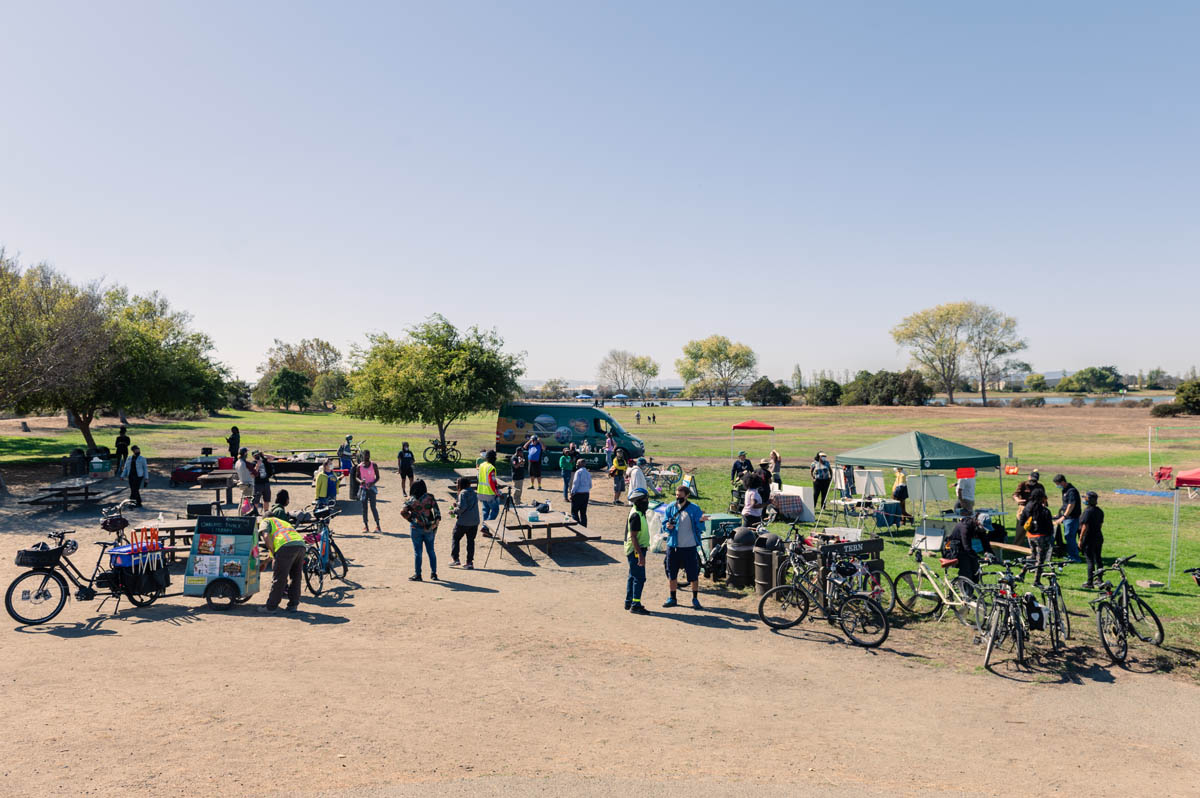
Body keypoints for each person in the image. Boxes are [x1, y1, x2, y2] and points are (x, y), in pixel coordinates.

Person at [663, 485, 707, 609]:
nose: (678, 498)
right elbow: (664, 524)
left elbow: (700, 528)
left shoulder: (694, 509)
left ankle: (695, 599)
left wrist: (701, 521)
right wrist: (667, 526)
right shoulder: (671, 507)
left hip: (690, 546)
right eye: (676, 495)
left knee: (693, 573)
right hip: (673, 546)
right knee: (672, 573)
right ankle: (672, 597)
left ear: (687, 496)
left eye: (680, 496)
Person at [257, 515, 306, 612]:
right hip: (300, 546)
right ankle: (293, 605)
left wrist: (274, 553)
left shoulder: (266, 521)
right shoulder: (283, 523)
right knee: (296, 577)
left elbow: (266, 537)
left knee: (280, 578)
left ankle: (271, 607)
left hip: (285, 547)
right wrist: (266, 562)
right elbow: (277, 545)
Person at [401, 479, 441, 581]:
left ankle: (418, 574)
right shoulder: (430, 498)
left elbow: (403, 512)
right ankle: (434, 574)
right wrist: (434, 525)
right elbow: (437, 513)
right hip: (429, 528)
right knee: (431, 551)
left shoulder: (410, 500)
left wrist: (411, 519)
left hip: (415, 527)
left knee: (417, 552)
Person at [1018, 486, 1054, 585]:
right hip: (1042, 537)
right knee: (1040, 560)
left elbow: (1021, 523)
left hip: (1030, 536)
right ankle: (1036, 581)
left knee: (1033, 556)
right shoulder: (1045, 511)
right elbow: (1050, 528)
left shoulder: (1027, 508)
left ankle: (1022, 574)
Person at [624, 488, 651, 614]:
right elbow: (633, 536)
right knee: (639, 578)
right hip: (636, 549)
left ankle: (629, 601)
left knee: (633, 576)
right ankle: (635, 604)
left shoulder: (639, 511)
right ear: (639, 501)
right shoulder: (636, 515)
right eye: (646, 499)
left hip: (637, 548)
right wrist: (640, 555)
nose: (647, 502)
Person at [944, 513, 992, 583]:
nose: (984, 530)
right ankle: (964, 592)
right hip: (955, 549)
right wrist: (979, 558)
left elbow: (985, 542)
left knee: (976, 570)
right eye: (984, 528)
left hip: (965, 548)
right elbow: (967, 547)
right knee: (967, 570)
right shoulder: (965, 526)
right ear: (978, 522)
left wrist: (990, 553)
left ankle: (971, 592)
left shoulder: (979, 527)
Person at [1052, 474, 1083, 563]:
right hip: (1067, 517)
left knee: (1070, 537)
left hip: (1072, 518)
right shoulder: (1065, 490)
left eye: (1058, 484)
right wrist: (1059, 515)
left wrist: (1064, 517)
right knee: (1068, 537)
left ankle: (1075, 557)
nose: (1057, 486)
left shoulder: (1071, 491)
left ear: (1063, 482)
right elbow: (1065, 504)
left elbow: (1071, 505)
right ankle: (1070, 555)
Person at [450, 476, 479, 569]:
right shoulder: (473, 493)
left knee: (456, 537)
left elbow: (463, 507)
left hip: (464, 521)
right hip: (474, 521)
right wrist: (458, 504)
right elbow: (469, 505)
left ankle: (456, 559)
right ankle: (469, 562)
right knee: (470, 541)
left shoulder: (463, 493)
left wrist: (454, 510)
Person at [1079, 491, 1105, 589]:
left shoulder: (1087, 511)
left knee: (1090, 560)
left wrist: (1080, 539)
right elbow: (1100, 525)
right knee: (1098, 558)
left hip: (1089, 538)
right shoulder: (1099, 511)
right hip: (1098, 536)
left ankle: (1089, 582)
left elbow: (1085, 526)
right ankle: (1099, 579)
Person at [356, 450, 382, 533]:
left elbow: (378, 477)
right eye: (365, 455)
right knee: (364, 508)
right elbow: (356, 477)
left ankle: (378, 526)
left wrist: (372, 483)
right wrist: (360, 481)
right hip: (363, 489)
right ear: (362, 456)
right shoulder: (359, 466)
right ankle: (366, 526)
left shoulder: (374, 465)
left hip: (372, 489)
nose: (367, 457)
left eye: (368, 455)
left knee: (373, 507)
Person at [477, 449, 502, 529]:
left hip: (481, 492)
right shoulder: (491, 467)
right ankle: (485, 527)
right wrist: (496, 491)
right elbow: (492, 481)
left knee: (486, 510)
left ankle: (485, 528)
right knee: (495, 510)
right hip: (489, 493)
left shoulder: (482, 465)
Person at [569, 459, 592, 527]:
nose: (576, 465)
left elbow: (575, 483)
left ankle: (578, 528)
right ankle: (584, 529)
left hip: (578, 494)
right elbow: (590, 485)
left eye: (577, 463)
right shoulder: (588, 473)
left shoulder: (578, 472)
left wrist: (572, 493)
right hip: (586, 494)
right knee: (583, 513)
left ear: (580, 464)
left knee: (574, 512)